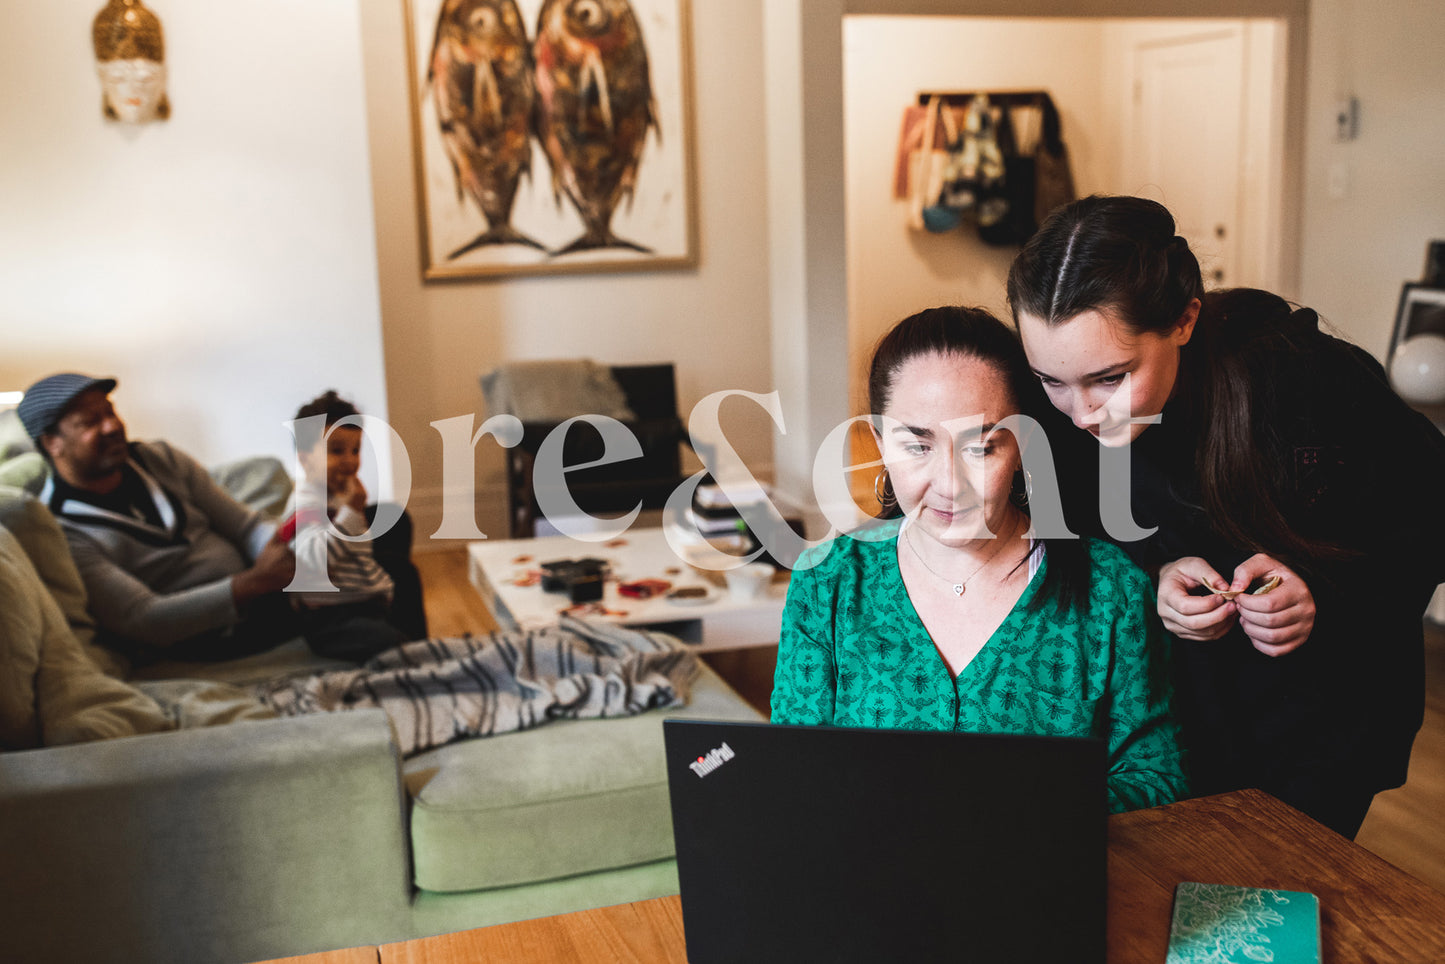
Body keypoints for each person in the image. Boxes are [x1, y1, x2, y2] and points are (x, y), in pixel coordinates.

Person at [1008, 194, 1445, 837]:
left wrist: (1318, 590)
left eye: (1111, 377)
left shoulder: (1306, 378)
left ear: (1184, 320)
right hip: (1165, 717)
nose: (1081, 413)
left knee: (1279, 901)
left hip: (1324, 717)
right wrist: (1150, 579)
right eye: (1051, 379)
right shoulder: (1051, 415)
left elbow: (1425, 516)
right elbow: (1069, 550)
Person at [770, 306, 1188, 814]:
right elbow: (793, 775)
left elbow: (1155, 778)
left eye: (981, 448)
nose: (949, 485)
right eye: (917, 446)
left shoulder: (1112, 591)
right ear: (880, 443)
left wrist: (1020, 815)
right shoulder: (826, 584)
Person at [20, 373, 298, 662]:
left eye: (110, 411)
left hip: (267, 595)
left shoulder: (159, 458)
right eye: (90, 421)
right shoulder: (60, 528)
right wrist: (256, 582)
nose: (113, 425)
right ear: (52, 442)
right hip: (202, 639)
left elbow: (246, 526)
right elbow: (143, 618)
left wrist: (284, 555)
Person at [285, 390, 427, 661]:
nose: (350, 461)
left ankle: (421, 653)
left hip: (359, 602)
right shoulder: (306, 502)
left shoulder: (338, 493)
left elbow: (358, 552)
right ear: (304, 459)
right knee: (394, 645)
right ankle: (416, 659)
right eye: (336, 451)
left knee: (405, 579)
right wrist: (351, 513)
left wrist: (381, 586)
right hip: (329, 620)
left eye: (355, 449)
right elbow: (315, 561)